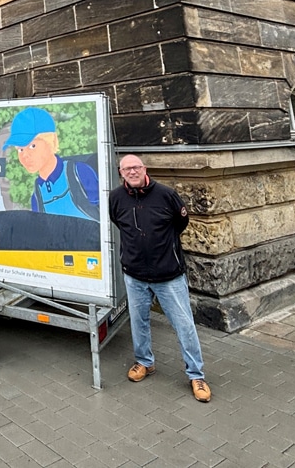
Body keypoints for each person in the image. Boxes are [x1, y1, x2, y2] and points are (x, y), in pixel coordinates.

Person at [109, 154, 211, 403]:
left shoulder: (166, 195)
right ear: (121, 173)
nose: (132, 172)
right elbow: (118, 222)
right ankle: (144, 362)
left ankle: (196, 375)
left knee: (184, 325)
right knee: (139, 322)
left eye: (136, 167)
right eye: (126, 169)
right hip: (134, 274)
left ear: (144, 169)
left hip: (168, 275)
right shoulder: (116, 198)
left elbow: (181, 222)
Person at [4, 107, 99, 219]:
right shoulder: (37, 195)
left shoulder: (78, 172)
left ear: (52, 141)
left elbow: (105, 213)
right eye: (20, 149)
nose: (25, 155)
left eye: (32, 146)